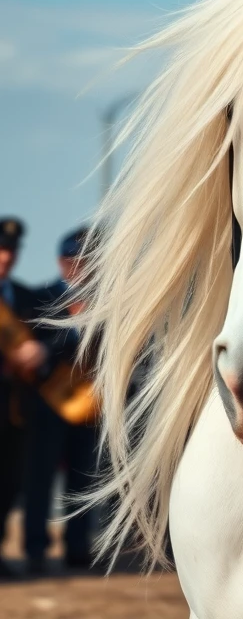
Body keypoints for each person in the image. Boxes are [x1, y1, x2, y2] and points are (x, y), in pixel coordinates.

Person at [21, 226, 98, 575]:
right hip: (49, 403)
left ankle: (77, 547)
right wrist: (61, 345)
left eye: (85, 260)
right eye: (72, 260)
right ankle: (36, 548)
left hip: (90, 403)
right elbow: (30, 348)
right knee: (41, 477)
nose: (78, 267)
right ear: (60, 261)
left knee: (83, 478)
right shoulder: (39, 297)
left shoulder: (106, 302)